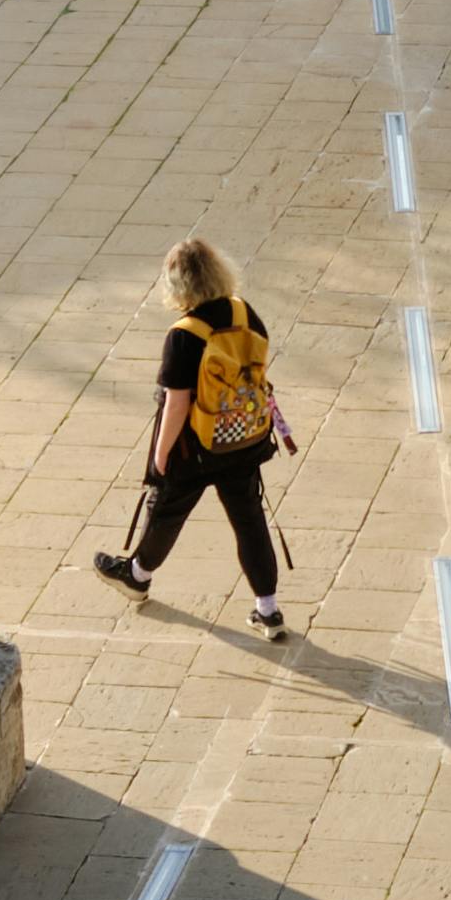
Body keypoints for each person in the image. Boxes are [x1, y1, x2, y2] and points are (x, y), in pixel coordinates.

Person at [94, 236, 300, 638]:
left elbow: (177, 404)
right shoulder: (244, 313)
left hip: (197, 446)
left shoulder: (185, 334)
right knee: (249, 520)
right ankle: (268, 610)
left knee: (167, 510)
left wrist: (160, 454)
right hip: (244, 436)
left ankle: (137, 575)